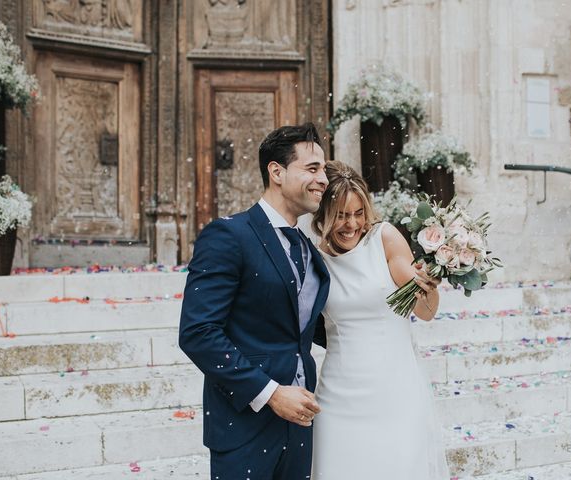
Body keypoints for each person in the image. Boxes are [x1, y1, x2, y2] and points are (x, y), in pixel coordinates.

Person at [179, 123, 331, 479]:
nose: (324, 179)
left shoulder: (310, 251)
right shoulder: (229, 235)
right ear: (276, 172)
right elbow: (198, 332)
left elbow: (309, 327)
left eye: (323, 169)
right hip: (244, 425)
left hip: (300, 424)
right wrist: (271, 393)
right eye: (313, 168)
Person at [310, 161, 450, 479]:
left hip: (395, 390)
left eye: (358, 213)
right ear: (324, 215)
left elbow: (425, 311)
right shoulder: (315, 259)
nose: (352, 224)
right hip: (338, 396)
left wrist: (428, 286)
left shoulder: (383, 239)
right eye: (342, 215)